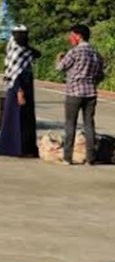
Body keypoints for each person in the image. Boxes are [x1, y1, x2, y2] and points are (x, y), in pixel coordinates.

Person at [55, 23, 106, 165]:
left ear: (78, 36)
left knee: (70, 124)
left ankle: (67, 158)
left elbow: (60, 68)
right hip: (90, 93)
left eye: (72, 35)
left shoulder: (74, 52)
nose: (70, 38)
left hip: (74, 92)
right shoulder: (95, 53)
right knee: (89, 124)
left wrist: (59, 58)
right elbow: (101, 74)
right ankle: (90, 158)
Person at [0, 25, 41, 158]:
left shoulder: (21, 49)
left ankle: (20, 148)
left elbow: (37, 54)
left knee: (20, 118)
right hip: (19, 88)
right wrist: (19, 91)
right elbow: (15, 74)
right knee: (20, 119)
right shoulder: (18, 50)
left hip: (20, 88)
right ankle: (19, 149)